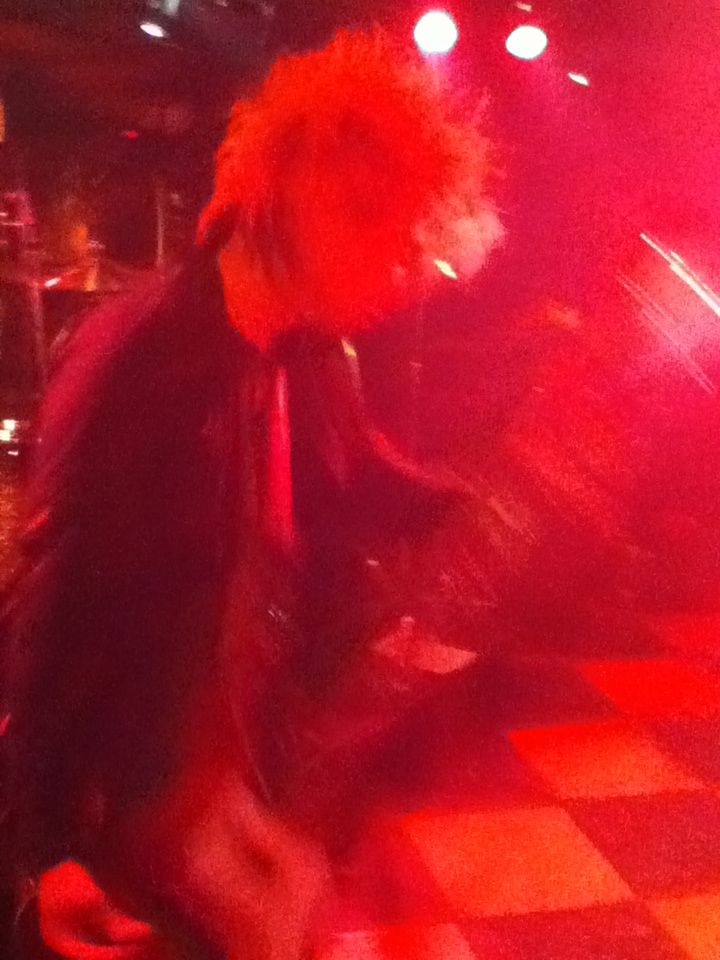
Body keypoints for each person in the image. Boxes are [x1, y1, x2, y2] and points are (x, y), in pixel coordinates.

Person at [1, 28, 501, 960]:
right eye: (383, 231)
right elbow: (52, 612)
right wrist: (44, 853)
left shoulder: (312, 359)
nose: (401, 273)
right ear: (301, 202)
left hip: (224, 779)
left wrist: (522, 486)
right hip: (128, 811)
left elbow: (373, 493)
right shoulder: (138, 358)